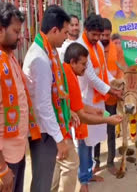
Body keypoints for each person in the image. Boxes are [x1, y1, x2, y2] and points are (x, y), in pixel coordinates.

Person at [51, 42, 123, 192]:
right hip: (57, 131)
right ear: (72, 62)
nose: (86, 68)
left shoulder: (67, 72)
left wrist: (93, 110)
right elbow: (81, 115)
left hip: (58, 128)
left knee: (58, 172)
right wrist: (107, 119)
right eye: (83, 64)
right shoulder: (70, 77)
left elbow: (76, 106)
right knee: (71, 164)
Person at [0, 1, 40, 192]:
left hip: (15, 153)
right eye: (16, 32)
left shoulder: (7, 56)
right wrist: (0, 167)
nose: (20, 37)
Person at [23, 5, 72, 192]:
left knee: (43, 180)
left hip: (45, 128)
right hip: (43, 131)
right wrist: (59, 139)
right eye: (65, 32)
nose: (66, 37)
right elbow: (44, 105)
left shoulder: (44, 52)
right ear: (54, 30)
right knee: (43, 183)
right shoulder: (41, 58)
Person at [76, 13, 122, 192]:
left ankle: (89, 172)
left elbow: (104, 72)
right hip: (85, 98)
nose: (97, 39)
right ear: (85, 31)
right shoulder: (81, 47)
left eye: (99, 35)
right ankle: (83, 180)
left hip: (97, 100)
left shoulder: (97, 47)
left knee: (93, 140)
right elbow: (92, 77)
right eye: (94, 35)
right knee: (84, 140)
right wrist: (111, 90)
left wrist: (116, 83)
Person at [94, 18, 126, 175]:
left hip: (112, 98)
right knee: (96, 129)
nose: (104, 38)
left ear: (111, 33)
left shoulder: (117, 49)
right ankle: (96, 162)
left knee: (111, 130)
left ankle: (110, 162)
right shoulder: (95, 49)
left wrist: (118, 87)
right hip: (97, 98)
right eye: (102, 35)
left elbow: (120, 70)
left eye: (107, 35)